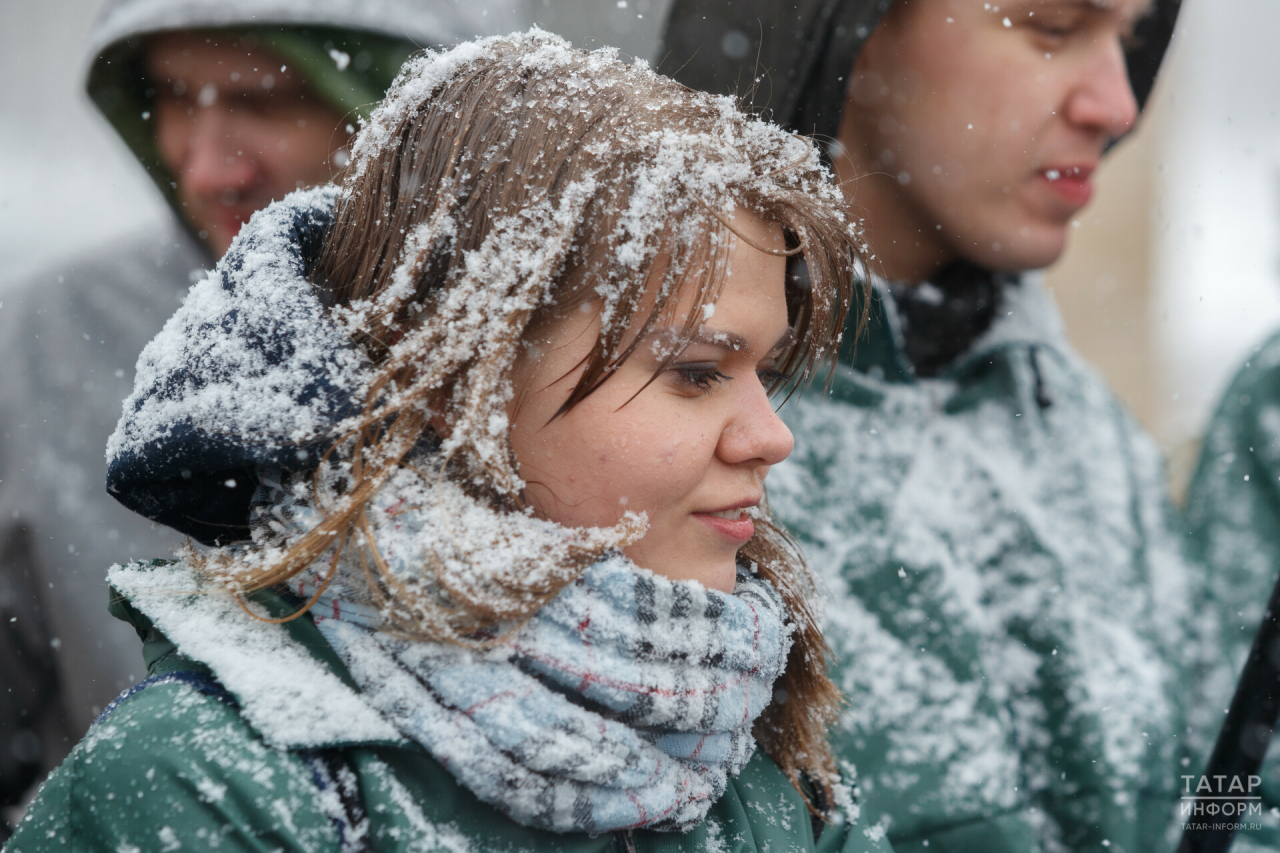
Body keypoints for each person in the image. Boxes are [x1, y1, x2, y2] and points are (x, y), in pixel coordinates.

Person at [5, 32, 896, 853]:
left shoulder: (746, 749)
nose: (772, 437)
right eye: (697, 373)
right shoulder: (202, 784)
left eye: (764, 374)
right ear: (453, 383)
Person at [660, 1, 1194, 850]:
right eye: (1052, 27)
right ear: (846, 34)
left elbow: (1218, 788)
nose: (1118, 104)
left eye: (1130, 40)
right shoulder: (653, 448)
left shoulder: (1090, 431)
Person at [0, 0, 521, 821]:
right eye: (174, 94)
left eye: (264, 99)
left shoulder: (586, 353)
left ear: (412, 109)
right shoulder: (50, 336)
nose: (206, 168)